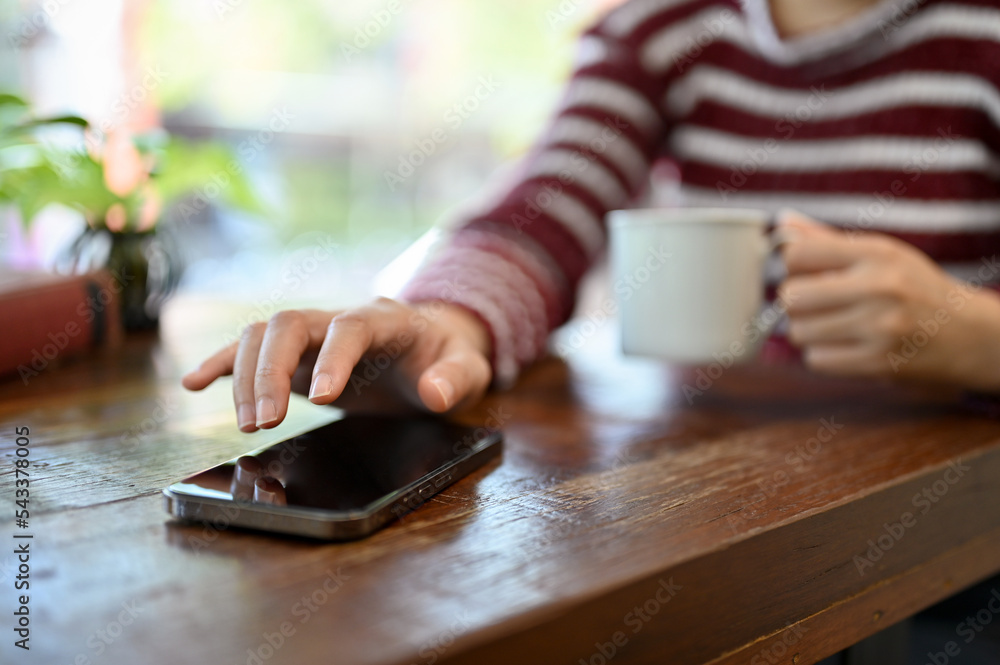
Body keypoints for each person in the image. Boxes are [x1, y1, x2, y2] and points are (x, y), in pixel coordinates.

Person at [183, 0, 1000, 432]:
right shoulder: (660, 30)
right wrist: (443, 318)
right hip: (731, 498)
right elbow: (540, 215)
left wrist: (977, 336)